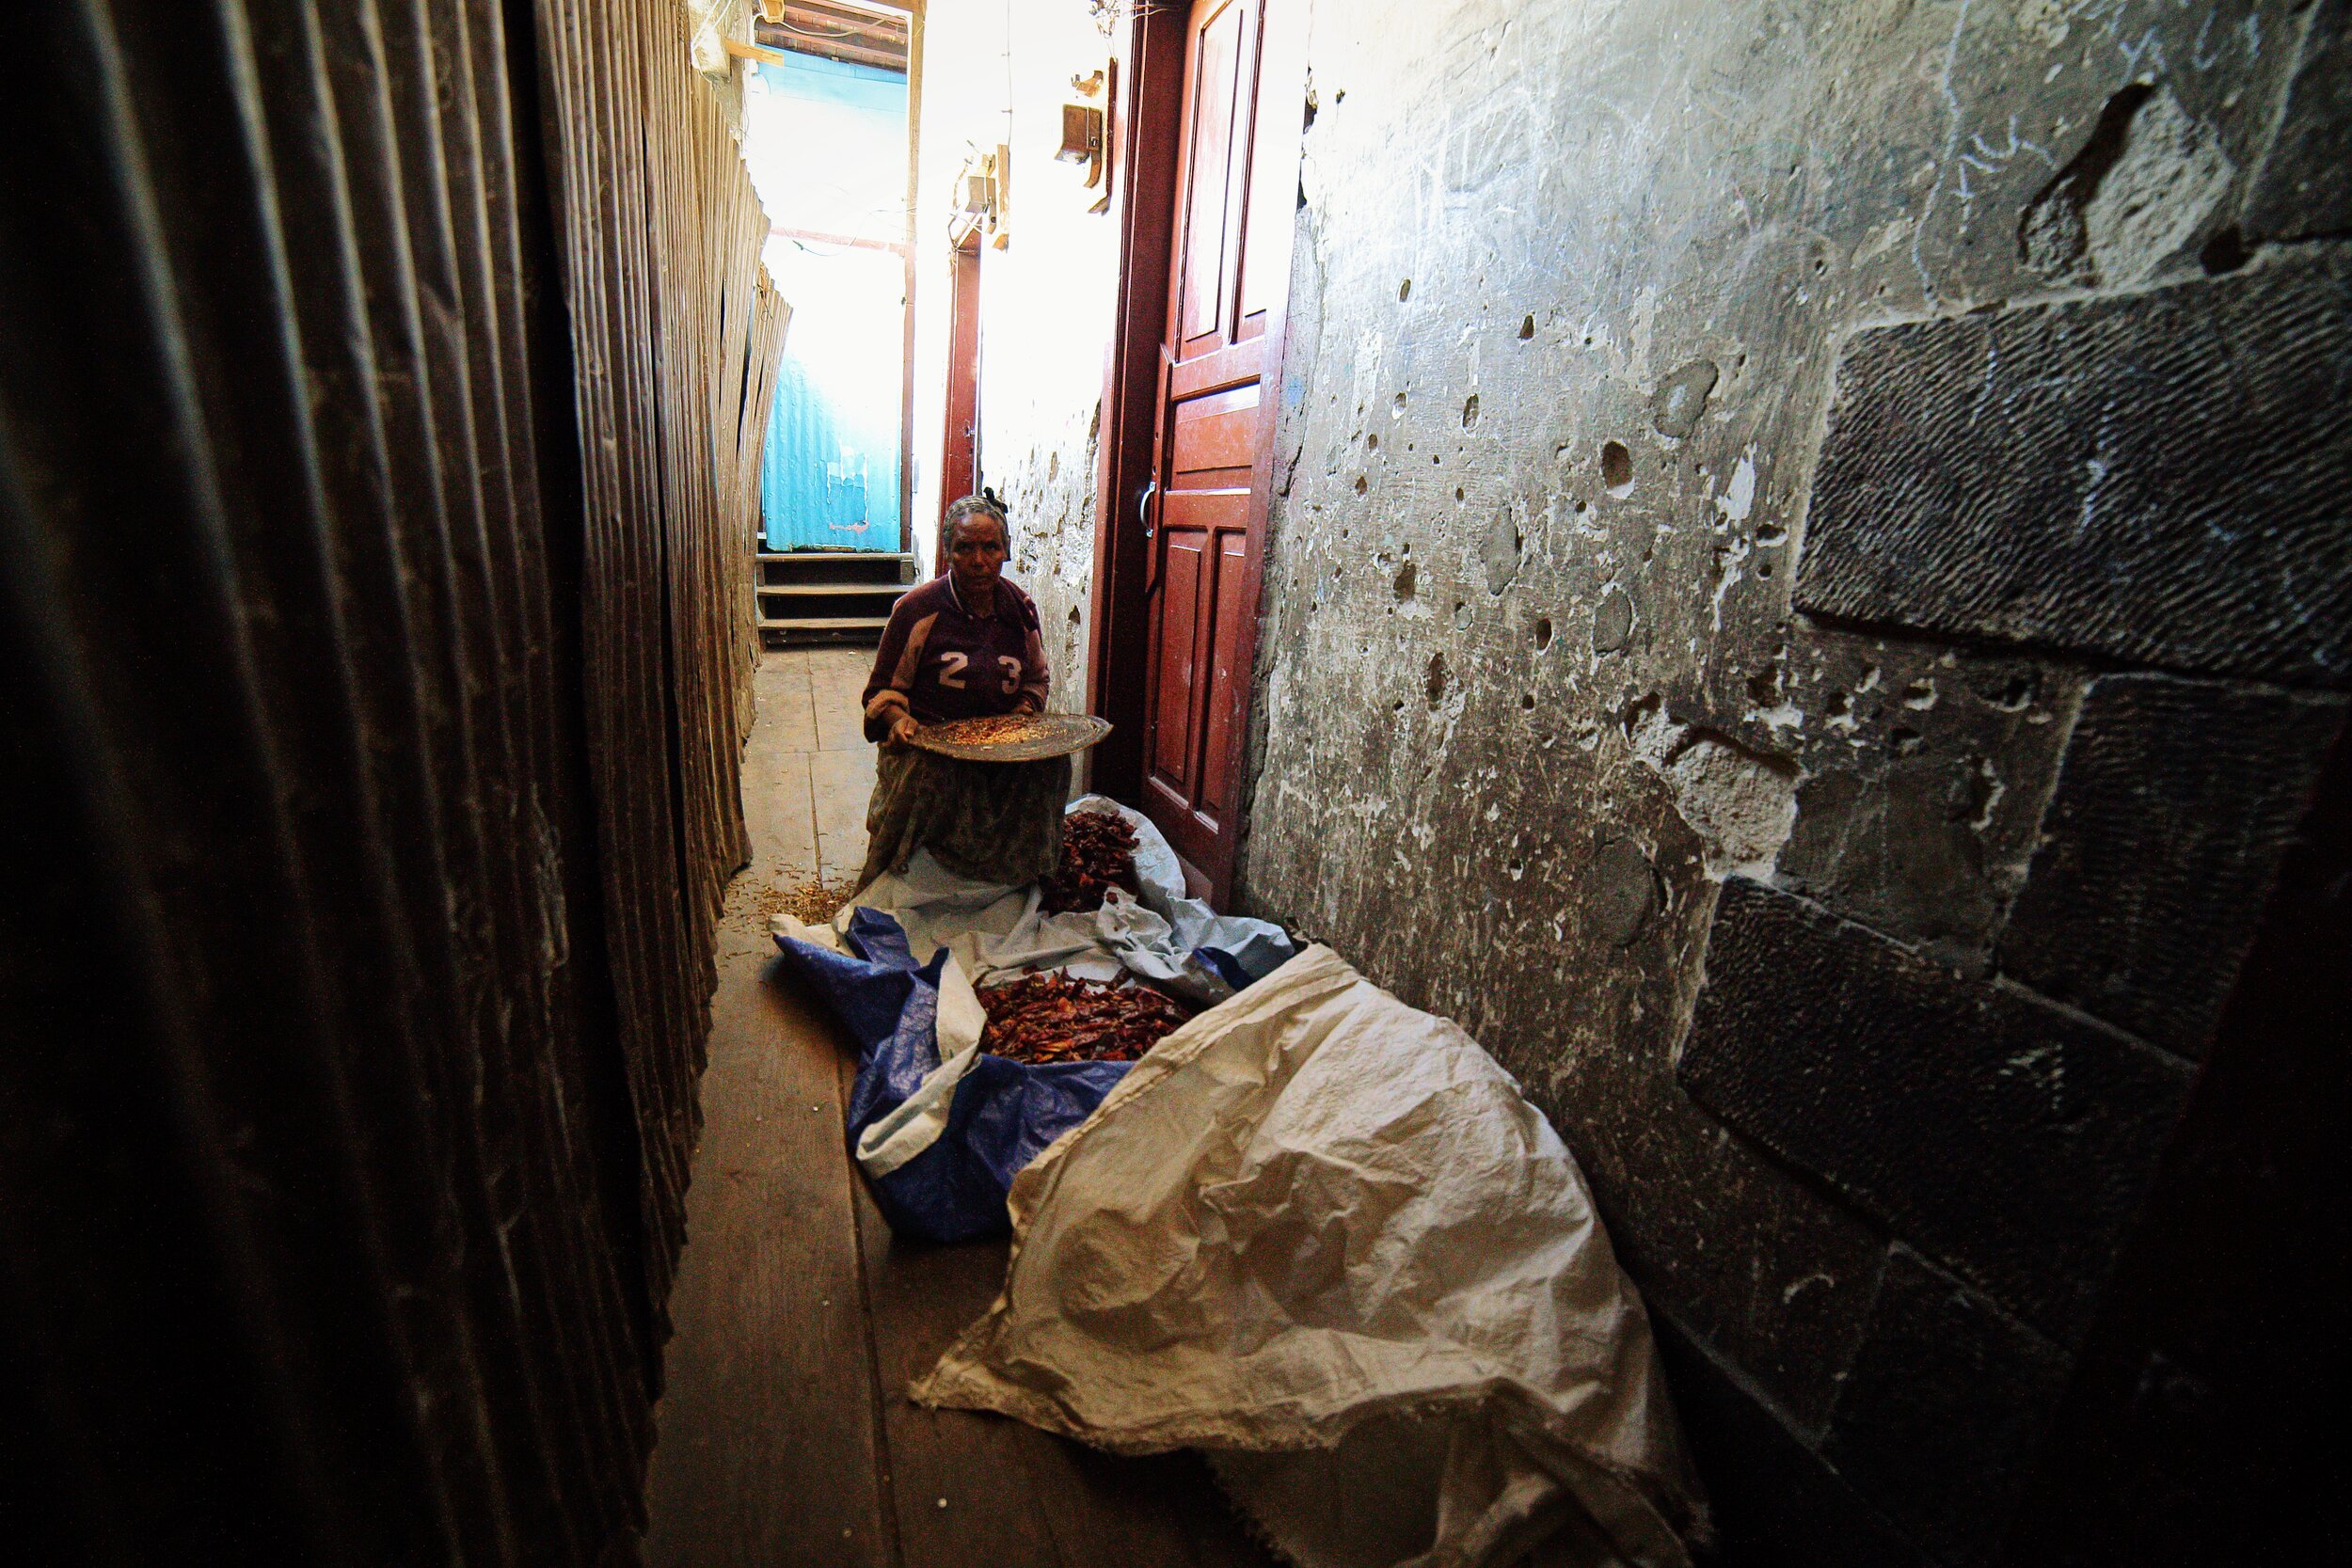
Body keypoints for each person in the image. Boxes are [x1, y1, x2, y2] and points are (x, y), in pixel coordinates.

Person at [857, 495, 1069, 889]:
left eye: (990, 547)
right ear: (947, 553)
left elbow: (1036, 679)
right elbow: (878, 694)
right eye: (964, 548)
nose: (978, 560)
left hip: (1000, 744)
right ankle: (913, 881)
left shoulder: (1019, 609)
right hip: (931, 744)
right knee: (929, 771)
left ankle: (1020, 880)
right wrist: (899, 720)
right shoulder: (917, 610)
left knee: (1051, 766)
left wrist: (1023, 712)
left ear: (1005, 551)